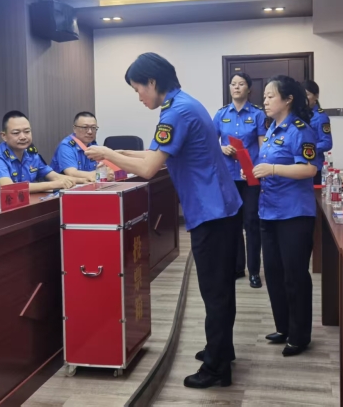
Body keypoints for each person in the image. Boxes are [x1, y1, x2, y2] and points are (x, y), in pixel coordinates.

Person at [84, 53, 243, 389]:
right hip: (219, 207)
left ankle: (217, 368)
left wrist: (107, 153)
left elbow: (148, 168)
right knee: (219, 289)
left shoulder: (175, 113)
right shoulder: (184, 104)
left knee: (215, 292)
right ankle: (220, 350)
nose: (139, 97)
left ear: (153, 82)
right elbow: (156, 154)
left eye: (138, 89)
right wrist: (118, 154)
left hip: (211, 212)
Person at [252, 75, 319, 358]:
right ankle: (283, 327)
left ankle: (300, 335)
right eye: (264, 96)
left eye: (270, 96)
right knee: (274, 273)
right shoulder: (271, 129)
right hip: (269, 211)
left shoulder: (300, 130)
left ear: (288, 99)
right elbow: (267, 165)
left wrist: (272, 169)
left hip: (294, 214)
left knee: (295, 275)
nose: (265, 101)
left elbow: (309, 169)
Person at [213, 72, 266, 289]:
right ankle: (237, 268)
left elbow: (263, 147)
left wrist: (260, 170)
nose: (236, 87)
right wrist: (221, 148)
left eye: (241, 84)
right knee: (232, 223)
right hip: (228, 177)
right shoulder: (221, 113)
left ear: (249, 89)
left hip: (250, 177)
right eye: (233, 84)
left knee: (251, 223)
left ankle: (254, 271)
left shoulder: (258, 114)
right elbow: (210, 141)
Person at [0, 111, 83, 202]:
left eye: (27, 131)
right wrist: (54, 184)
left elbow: (55, 176)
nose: (23, 137)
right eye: (16, 133)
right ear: (4, 136)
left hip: (22, 205)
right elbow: (10, 188)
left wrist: (84, 181)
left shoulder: (31, 154)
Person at [51, 111, 110, 182]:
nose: (90, 132)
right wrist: (100, 174)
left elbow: (104, 166)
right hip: (68, 186)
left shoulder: (93, 144)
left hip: (89, 184)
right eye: (85, 127)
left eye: (93, 128)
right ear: (74, 129)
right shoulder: (66, 146)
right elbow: (71, 173)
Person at [303, 80, 333, 185]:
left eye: (307, 95)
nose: (304, 98)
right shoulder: (300, 115)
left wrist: (306, 149)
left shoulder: (320, 117)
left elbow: (327, 143)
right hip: (300, 166)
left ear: (316, 96)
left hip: (315, 166)